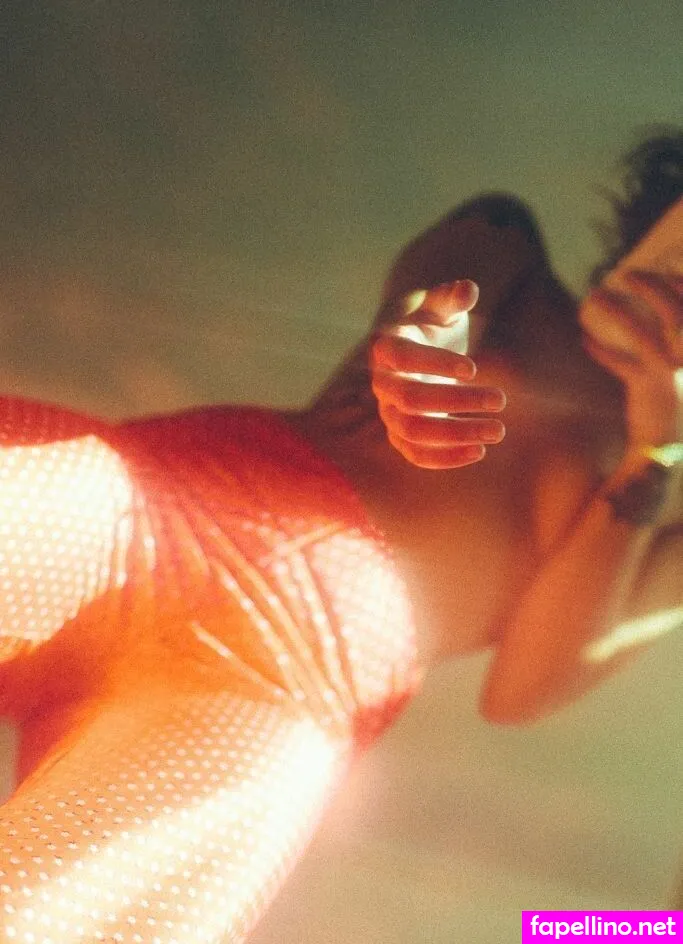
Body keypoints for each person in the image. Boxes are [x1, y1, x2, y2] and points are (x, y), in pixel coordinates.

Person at [0, 131, 680, 943]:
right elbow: (429, 309)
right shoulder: (511, 253)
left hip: (273, 703)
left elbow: (521, 691)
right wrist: (421, 345)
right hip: (152, 512)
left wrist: (653, 450)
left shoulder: (667, 533)